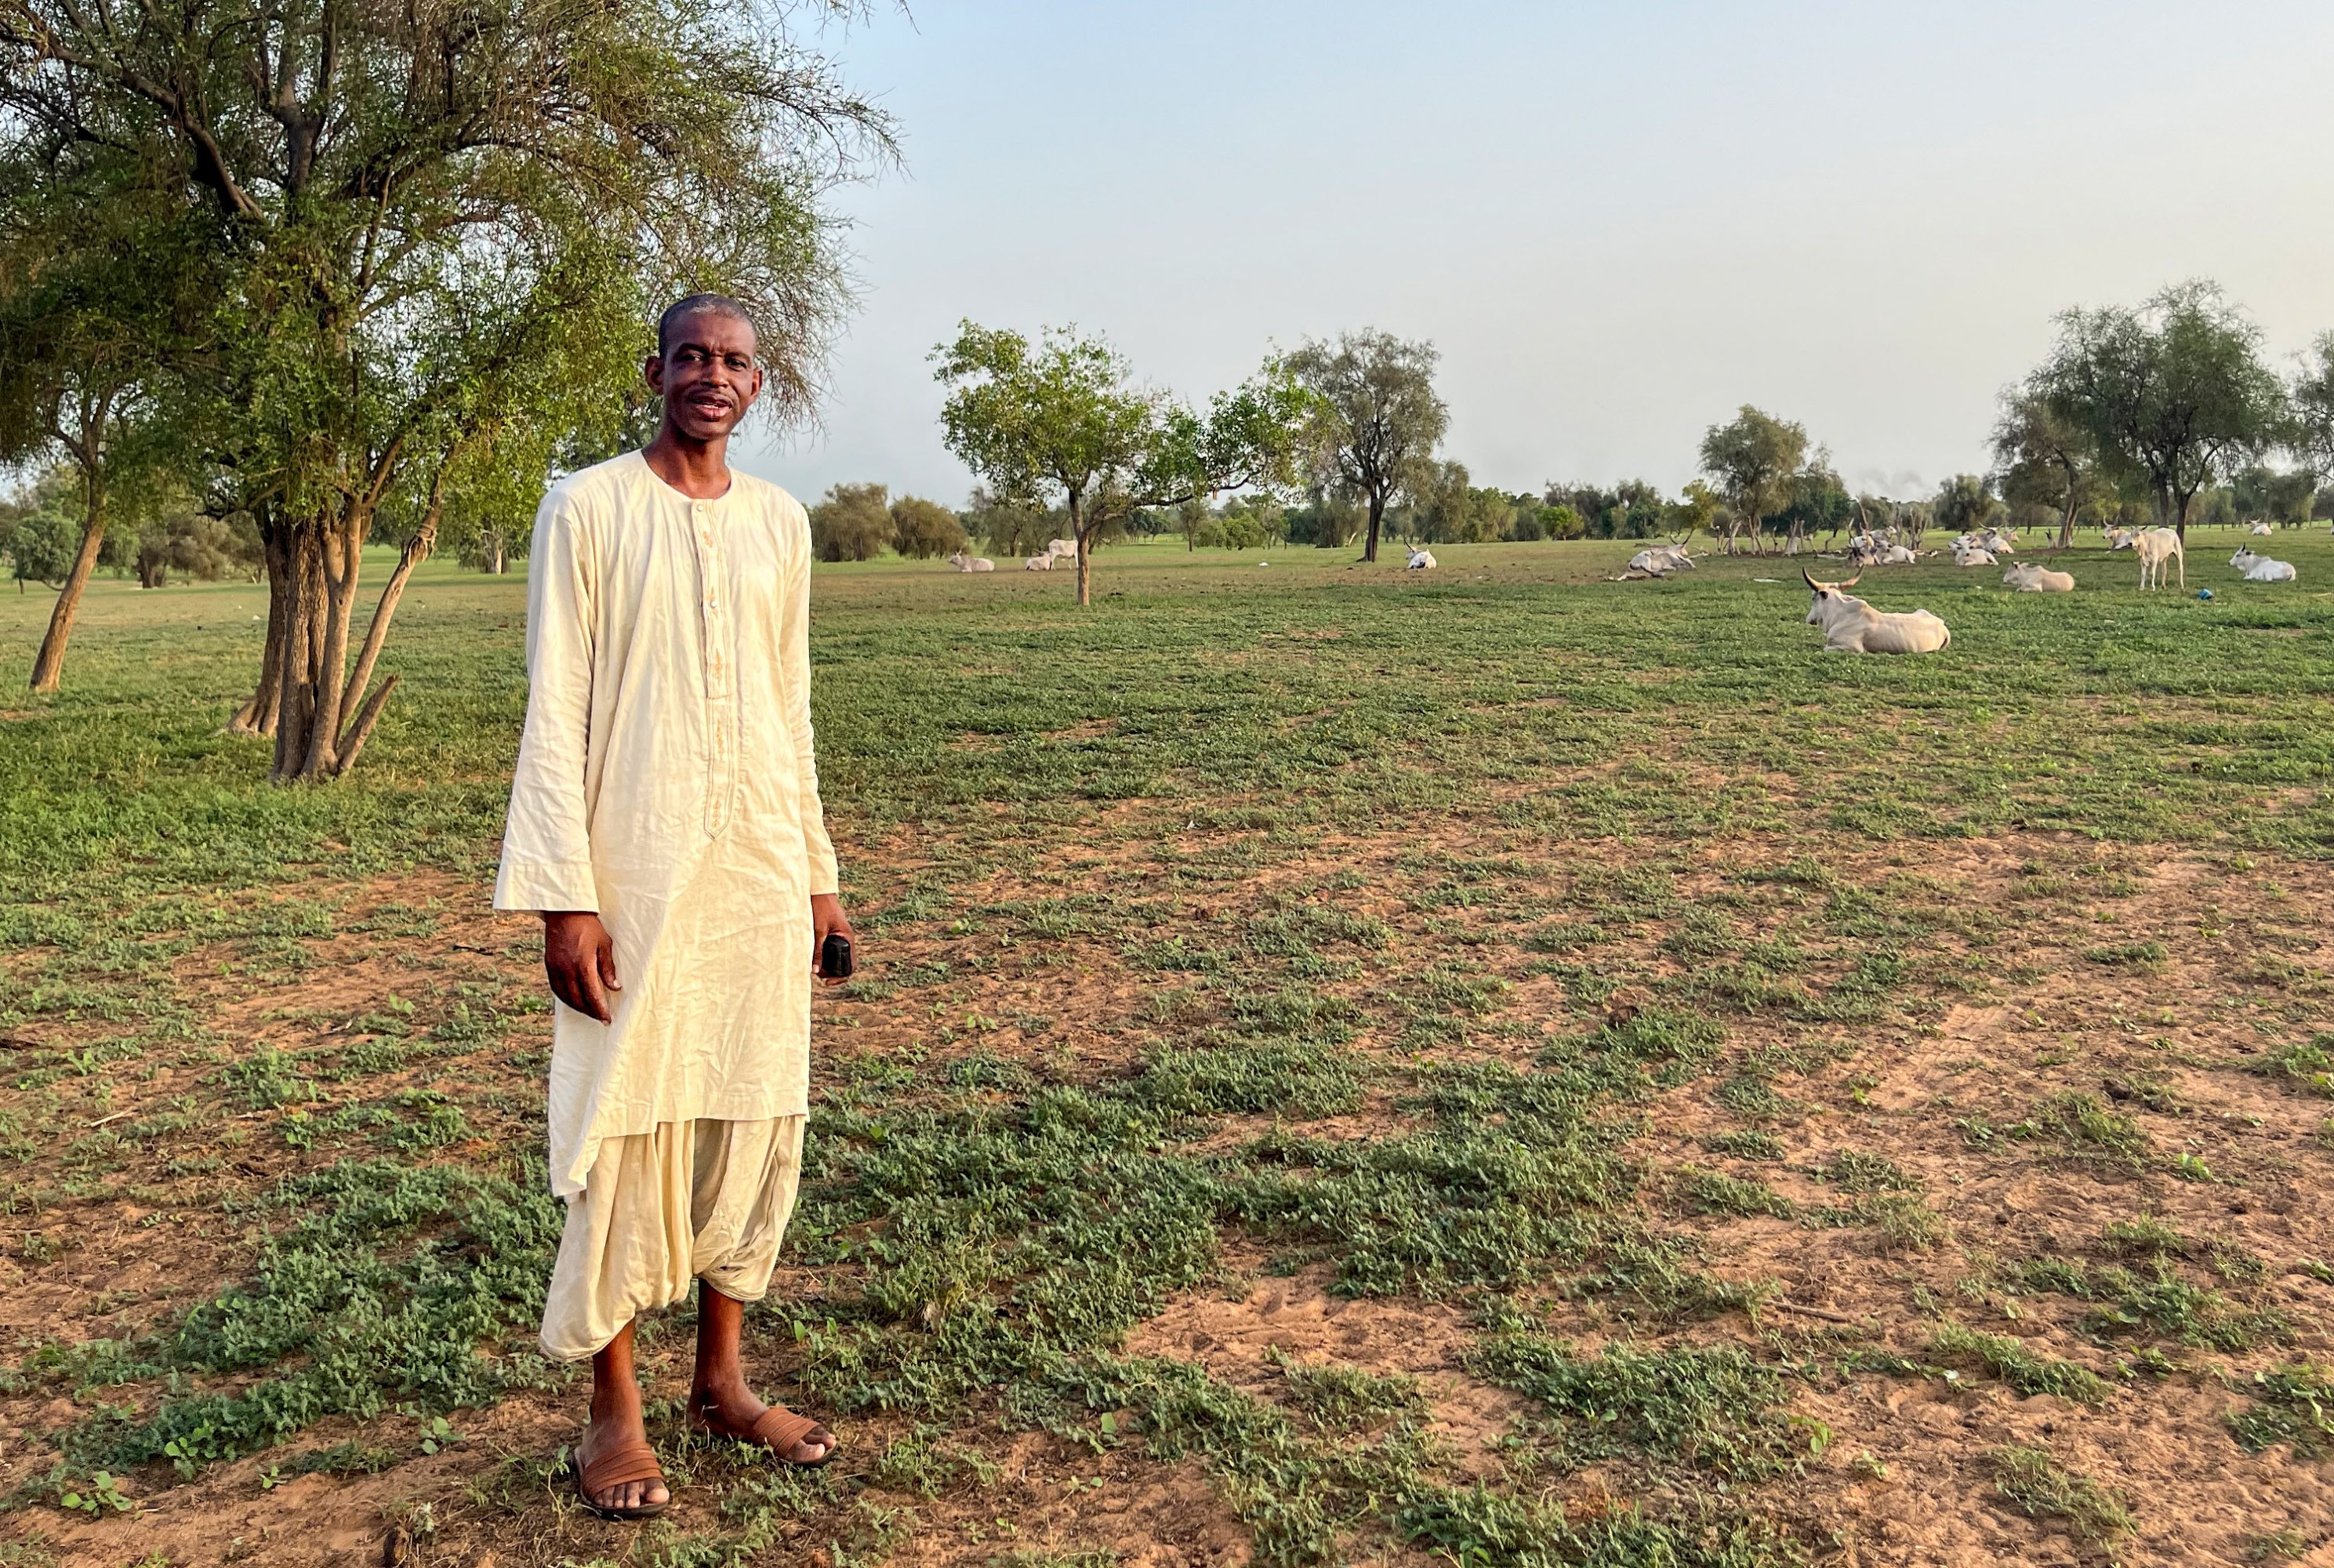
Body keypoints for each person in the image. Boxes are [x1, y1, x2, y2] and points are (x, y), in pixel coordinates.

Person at [494, 293, 854, 1519]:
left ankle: (722, 1381)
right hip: (632, 867)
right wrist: (563, 898)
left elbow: (789, 707)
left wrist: (817, 875)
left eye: (736, 362)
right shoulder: (588, 506)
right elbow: (557, 709)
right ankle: (613, 1414)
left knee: (750, 1102)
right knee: (620, 1119)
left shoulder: (779, 524)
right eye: (692, 356)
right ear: (654, 371)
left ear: (760, 386)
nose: (713, 376)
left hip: (757, 868)